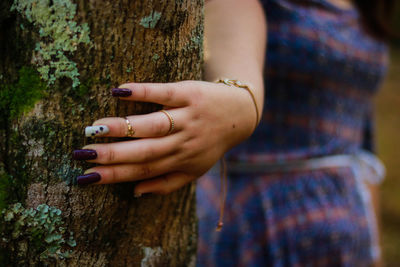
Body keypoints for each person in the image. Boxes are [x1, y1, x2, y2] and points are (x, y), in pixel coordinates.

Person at [72, 0, 392, 265]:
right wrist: (240, 101)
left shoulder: (370, 7)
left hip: (348, 232)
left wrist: (372, 243)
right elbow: (230, 22)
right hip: (255, 222)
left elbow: (362, 141)